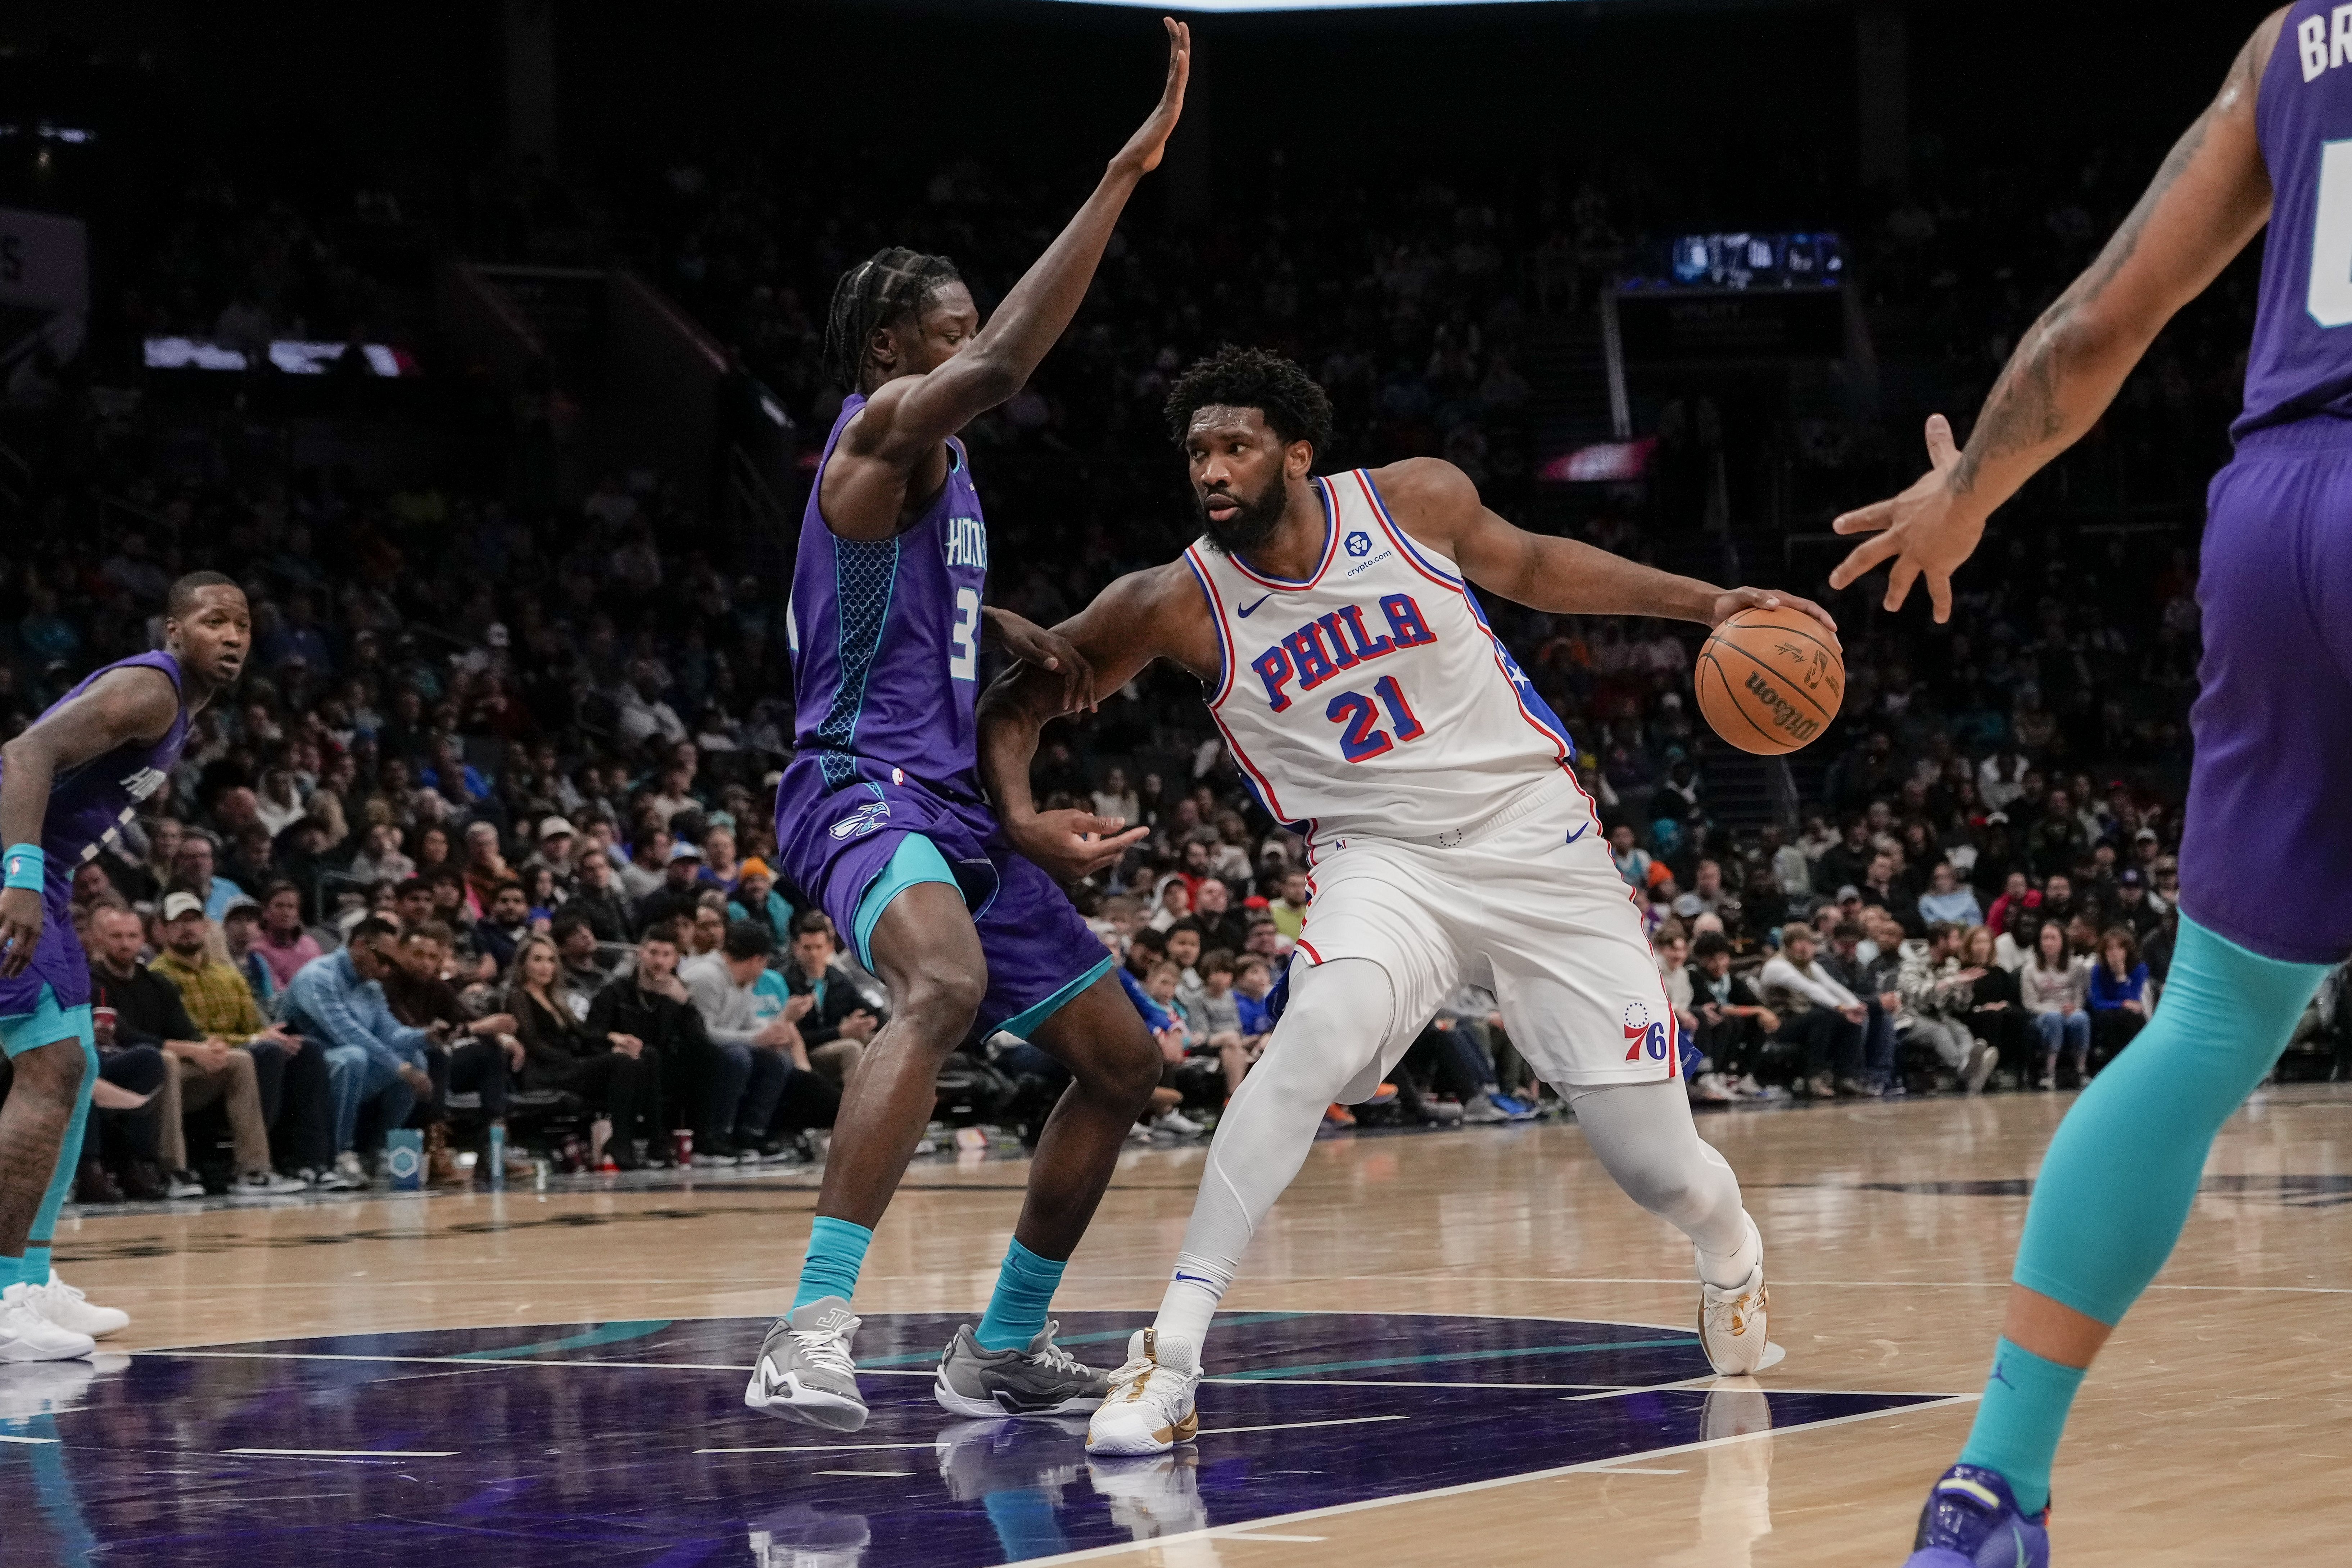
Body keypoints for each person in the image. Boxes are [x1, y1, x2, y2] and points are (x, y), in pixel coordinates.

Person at [975, 343, 1829, 1456]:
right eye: (1196, 452)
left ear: (1298, 453)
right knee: (1308, 1044)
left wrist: (1707, 601)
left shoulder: (1412, 500)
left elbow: (1534, 564)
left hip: (1535, 837)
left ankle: (1732, 1258)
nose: (1212, 470)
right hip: (1380, 861)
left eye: (1235, 446)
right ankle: (1171, 1357)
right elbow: (1017, 702)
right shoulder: (1170, 604)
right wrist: (1018, 814)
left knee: (1659, 1168)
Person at [1827, 19, 2352, 1522]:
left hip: (2271, 526)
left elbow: (2097, 324)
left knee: (2203, 1023)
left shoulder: (2292, 41)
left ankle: (1992, 1485)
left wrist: (1963, 489)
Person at [746, 21, 1188, 1435]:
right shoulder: (877, 433)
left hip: (945, 810)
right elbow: (1001, 366)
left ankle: (998, 1346)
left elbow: (949, 666)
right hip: (850, 791)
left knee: (1128, 1064)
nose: (973, 336)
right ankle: (808, 1327)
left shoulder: (947, 491)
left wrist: (1015, 804)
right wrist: (1121, 175)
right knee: (932, 989)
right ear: (892, 352)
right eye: (949, 323)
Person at [0, 570, 248, 1359]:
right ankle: (2, 1295)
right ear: (174, 631)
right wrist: (22, 875)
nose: (233, 635)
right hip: (18, 871)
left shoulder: (182, 709)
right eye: (214, 620)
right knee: (50, 1065)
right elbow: (24, 751)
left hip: (57, 876)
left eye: (243, 623)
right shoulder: (152, 688)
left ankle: (31, 1281)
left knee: (73, 1063)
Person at [86, 900, 307, 1201]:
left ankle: (253, 1170)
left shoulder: (157, 982)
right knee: (166, 1061)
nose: (126, 944)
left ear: (143, 939)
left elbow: (186, 1031)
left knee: (239, 1059)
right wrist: (191, 1048)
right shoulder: (92, 981)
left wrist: (209, 1047)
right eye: (116, 937)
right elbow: (124, 1036)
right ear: (99, 940)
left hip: (171, 1077)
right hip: (125, 1071)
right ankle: (172, 1169)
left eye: (132, 936)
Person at [150, 891, 335, 1187]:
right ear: (162, 929)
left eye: (194, 921)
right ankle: (258, 1163)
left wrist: (268, 1036)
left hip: (235, 1052)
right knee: (265, 1053)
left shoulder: (227, 974)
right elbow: (191, 1035)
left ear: (207, 926)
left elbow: (253, 1024)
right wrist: (256, 1038)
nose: (188, 928)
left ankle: (313, 1162)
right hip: (195, 1062)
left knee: (307, 1050)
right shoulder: (158, 976)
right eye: (178, 922)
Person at [280, 917, 446, 1184]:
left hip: (348, 1067)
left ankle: (378, 1148)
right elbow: (345, 1032)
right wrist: (400, 1068)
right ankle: (340, 1152)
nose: (386, 969)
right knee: (355, 1056)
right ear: (359, 945)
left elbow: (390, 1033)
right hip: (303, 1071)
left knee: (416, 1059)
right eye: (383, 959)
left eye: (392, 963)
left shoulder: (371, 987)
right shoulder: (319, 977)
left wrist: (425, 1036)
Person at [505, 934, 660, 1170]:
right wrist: (576, 1061)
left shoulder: (554, 998)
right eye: (538, 959)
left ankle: (646, 1140)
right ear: (524, 963)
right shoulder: (518, 996)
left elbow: (582, 1032)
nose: (546, 967)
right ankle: (620, 1144)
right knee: (622, 1063)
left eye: (550, 960)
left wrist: (613, 1038)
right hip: (545, 1072)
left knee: (643, 1056)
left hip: (569, 1067)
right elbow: (532, 1043)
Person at [775, 912, 878, 1087]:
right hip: (804, 1051)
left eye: (818, 947)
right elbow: (794, 1036)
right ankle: (852, 1111)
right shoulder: (787, 981)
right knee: (851, 1049)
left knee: (879, 1042)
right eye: (807, 948)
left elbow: (865, 1006)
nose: (813, 954)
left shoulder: (836, 978)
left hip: (832, 1041)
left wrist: (877, 1022)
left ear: (830, 947)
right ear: (796, 948)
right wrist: (840, 1032)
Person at [2020, 921, 2091, 1092]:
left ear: (2063, 942)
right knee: (2054, 1019)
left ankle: (2081, 1071)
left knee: (2081, 1018)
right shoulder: (2030, 970)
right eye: (2045, 938)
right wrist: (2057, 1011)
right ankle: (2049, 1073)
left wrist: (2074, 1008)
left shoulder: (2077, 968)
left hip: (2070, 1010)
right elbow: (2029, 1003)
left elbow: (2080, 995)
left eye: (2053, 938)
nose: (2048, 943)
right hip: (2043, 1014)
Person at [2086, 925, 2152, 1067]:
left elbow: (2134, 1000)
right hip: (2107, 1015)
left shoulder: (2139, 969)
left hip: (2131, 1016)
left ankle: (2135, 1062)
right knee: (2111, 1017)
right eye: (2110, 949)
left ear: (2128, 951)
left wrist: (2121, 977)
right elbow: (2097, 1003)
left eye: (2119, 948)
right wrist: (2121, 1004)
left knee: (2131, 1017)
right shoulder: (2098, 970)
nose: (2115, 953)